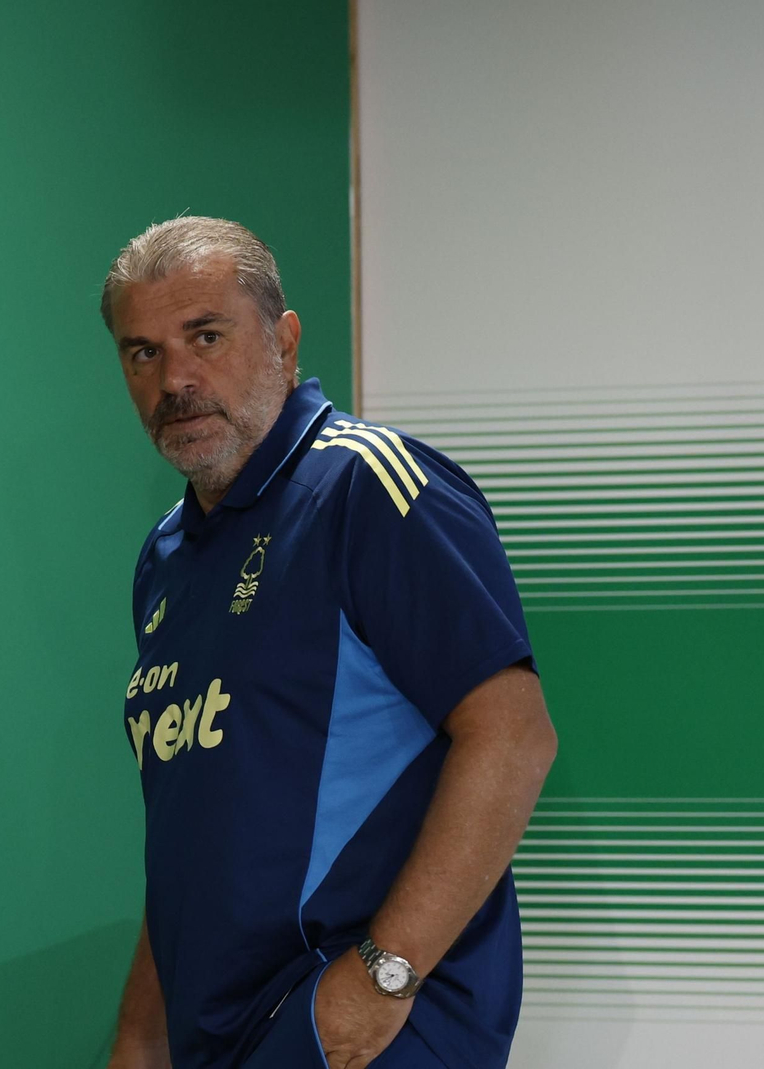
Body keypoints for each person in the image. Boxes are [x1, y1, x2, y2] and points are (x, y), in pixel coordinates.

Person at [101, 217, 557, 1069]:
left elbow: (514, 735)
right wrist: (141, 1040)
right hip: (224, 1040)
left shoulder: (368, 486)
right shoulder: (166, 557)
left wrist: (379, 981)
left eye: (206, 335)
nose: (176, 379)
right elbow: (191, 837)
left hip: (361, 1033)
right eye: (144, 353)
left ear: (284, 339)